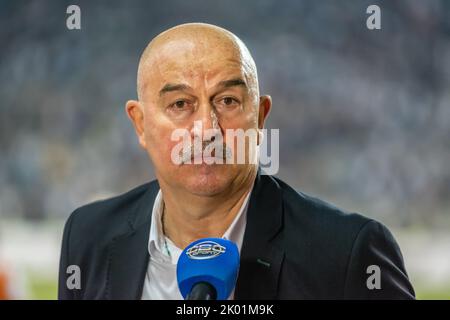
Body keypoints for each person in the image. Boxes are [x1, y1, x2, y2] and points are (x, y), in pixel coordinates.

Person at [58, 23, 415, 299]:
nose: (206, 129)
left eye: (227, 101)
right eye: (180, 104)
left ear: (260, 118)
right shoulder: (88, 236)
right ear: (140, 123)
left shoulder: (347, 252)